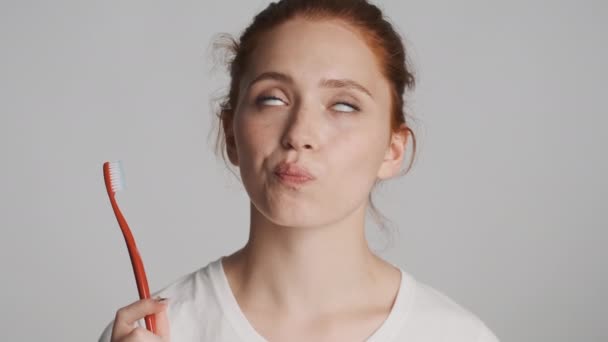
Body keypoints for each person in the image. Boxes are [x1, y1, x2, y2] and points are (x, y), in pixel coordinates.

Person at [99, 0, 500, 341]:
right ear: (231, 134)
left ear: (393, 150)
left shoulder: (453, 335)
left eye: (344, 104)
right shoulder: (163, 330)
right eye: (272, 99)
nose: (300, 134)